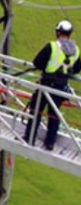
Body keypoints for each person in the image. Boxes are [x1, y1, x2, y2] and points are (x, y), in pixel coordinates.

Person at [24, 20, 80, 150]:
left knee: (35, 110)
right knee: (54, 115)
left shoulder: (52, 46)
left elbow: (37, 63)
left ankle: (30, 137)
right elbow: (77, 68)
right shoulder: (75, 50)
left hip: (46, 84)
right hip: (60, 87)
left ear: (58, 32)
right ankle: (50, 142)